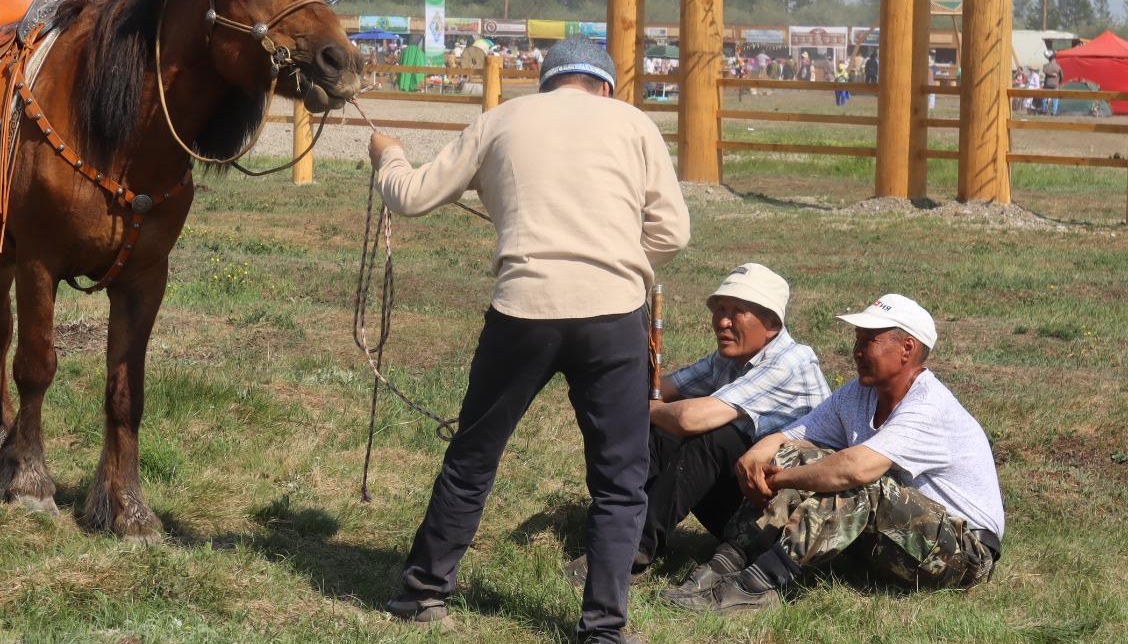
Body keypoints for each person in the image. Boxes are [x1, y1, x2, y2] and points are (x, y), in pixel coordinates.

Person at [370, 36, 690, 644]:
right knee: (620, 479)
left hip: (522, 308)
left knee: (474, 456)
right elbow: (672, 231)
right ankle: (603, 628)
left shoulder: (501, 119)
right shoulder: (634, 124)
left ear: (547, 82)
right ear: (604, 87)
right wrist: (622, 263)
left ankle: (424, 591)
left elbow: (410, 197)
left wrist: (387, 154)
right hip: (613, 314)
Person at [665, 293, 1004, 616]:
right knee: (796, 455)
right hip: (900, 543)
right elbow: (790, 437)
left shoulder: (929, 406)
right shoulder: (858, 393)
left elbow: (856, 470)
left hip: (963, 556)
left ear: (907, 348)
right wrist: (751, 461)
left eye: (868, 340)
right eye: (857, 339)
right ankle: (723, 564)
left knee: (860, 484)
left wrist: (777, 479)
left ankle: (756, 587)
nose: (855, 351)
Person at [628, 264, 828, 575]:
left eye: (737, 312)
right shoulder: (728, 358)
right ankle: (622, 529)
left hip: (787, 523)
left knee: (715, 438)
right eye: (719, 309)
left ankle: (632, 550)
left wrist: (650, 408)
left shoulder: (791, 361)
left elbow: (689, 419)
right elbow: (660, 390)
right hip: (749, 500)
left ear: (772, 322)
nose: (722, 321)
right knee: (660, 435)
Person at [1042, 51, 1062, 116]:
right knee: (1055, 98)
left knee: (1044, 97)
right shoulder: (1058, 66)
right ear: (1053, 60)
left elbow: (1044, 71)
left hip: (1047, 83)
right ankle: (1053, 112)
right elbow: (1062, 76)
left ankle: (1043, 110)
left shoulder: (1045, 66)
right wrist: (1059, 81)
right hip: (1055, 84)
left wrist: (1050, 74)